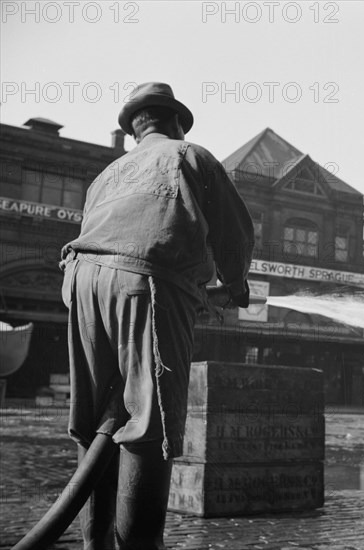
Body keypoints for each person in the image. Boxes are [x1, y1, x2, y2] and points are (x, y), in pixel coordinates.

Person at [60, 82, 254, 549]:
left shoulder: (108, 174)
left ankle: (95, 544)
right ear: (175, 122)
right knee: (151, 423)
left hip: (81, 283)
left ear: (134, 130)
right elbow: (234, 233)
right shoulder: (191, 155)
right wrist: (235, 283)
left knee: (96, 424)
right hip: (146, 282)